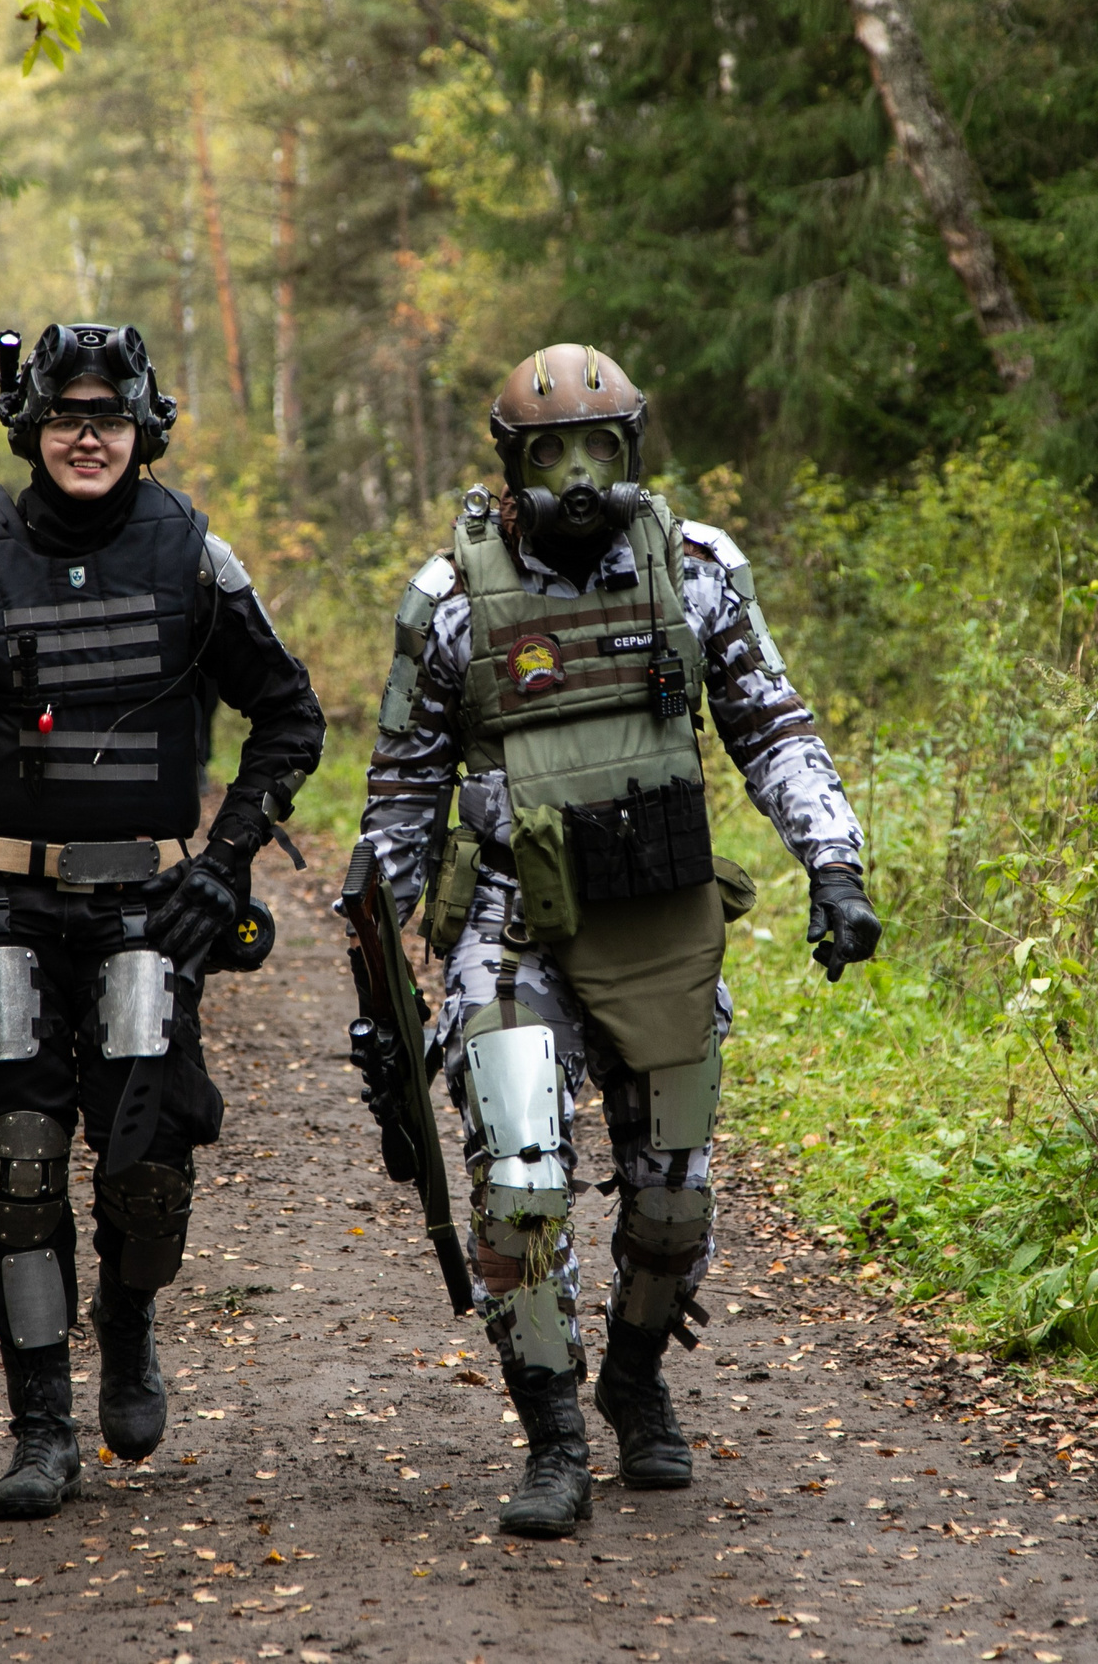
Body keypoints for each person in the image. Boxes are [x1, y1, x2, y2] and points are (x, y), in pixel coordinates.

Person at [357, 343, 881, 1538]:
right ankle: (550, 1436)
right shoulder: (448, 600)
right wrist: (378, 974)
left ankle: (634, 1377)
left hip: (658, 914)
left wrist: (834, 866)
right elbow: (399, 797)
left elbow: (774, 728)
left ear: (635, 451)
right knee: (521, 1183)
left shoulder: (695, 574)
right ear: (512, 464)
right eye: (553, 455)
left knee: (672, 1204)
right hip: (511, 921)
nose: (581, 476)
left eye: (602, 449)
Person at [0, 323, 323, 1521]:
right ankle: (40, 1423)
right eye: (65, 418)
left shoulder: (192, 554)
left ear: (143, 428)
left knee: (145, 1167)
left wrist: (225, 862)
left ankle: (129, 1321)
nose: (87, 436)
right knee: (17, 1161)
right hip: (1, 896)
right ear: (32, 430)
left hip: (152, 906)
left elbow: (289, 716)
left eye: (108, 417)